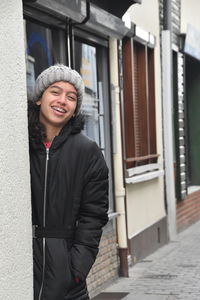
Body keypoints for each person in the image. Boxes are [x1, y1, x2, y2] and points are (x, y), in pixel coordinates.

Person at [28, 64, 109, 300]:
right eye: (55, 92)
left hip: (66, 276)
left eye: (71, 97)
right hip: (21, 265)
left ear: (74, 109)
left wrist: (76, 269)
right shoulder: (18, 144)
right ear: (39, 99)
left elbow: (93, 215)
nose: (62, 100)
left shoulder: (87, 152)